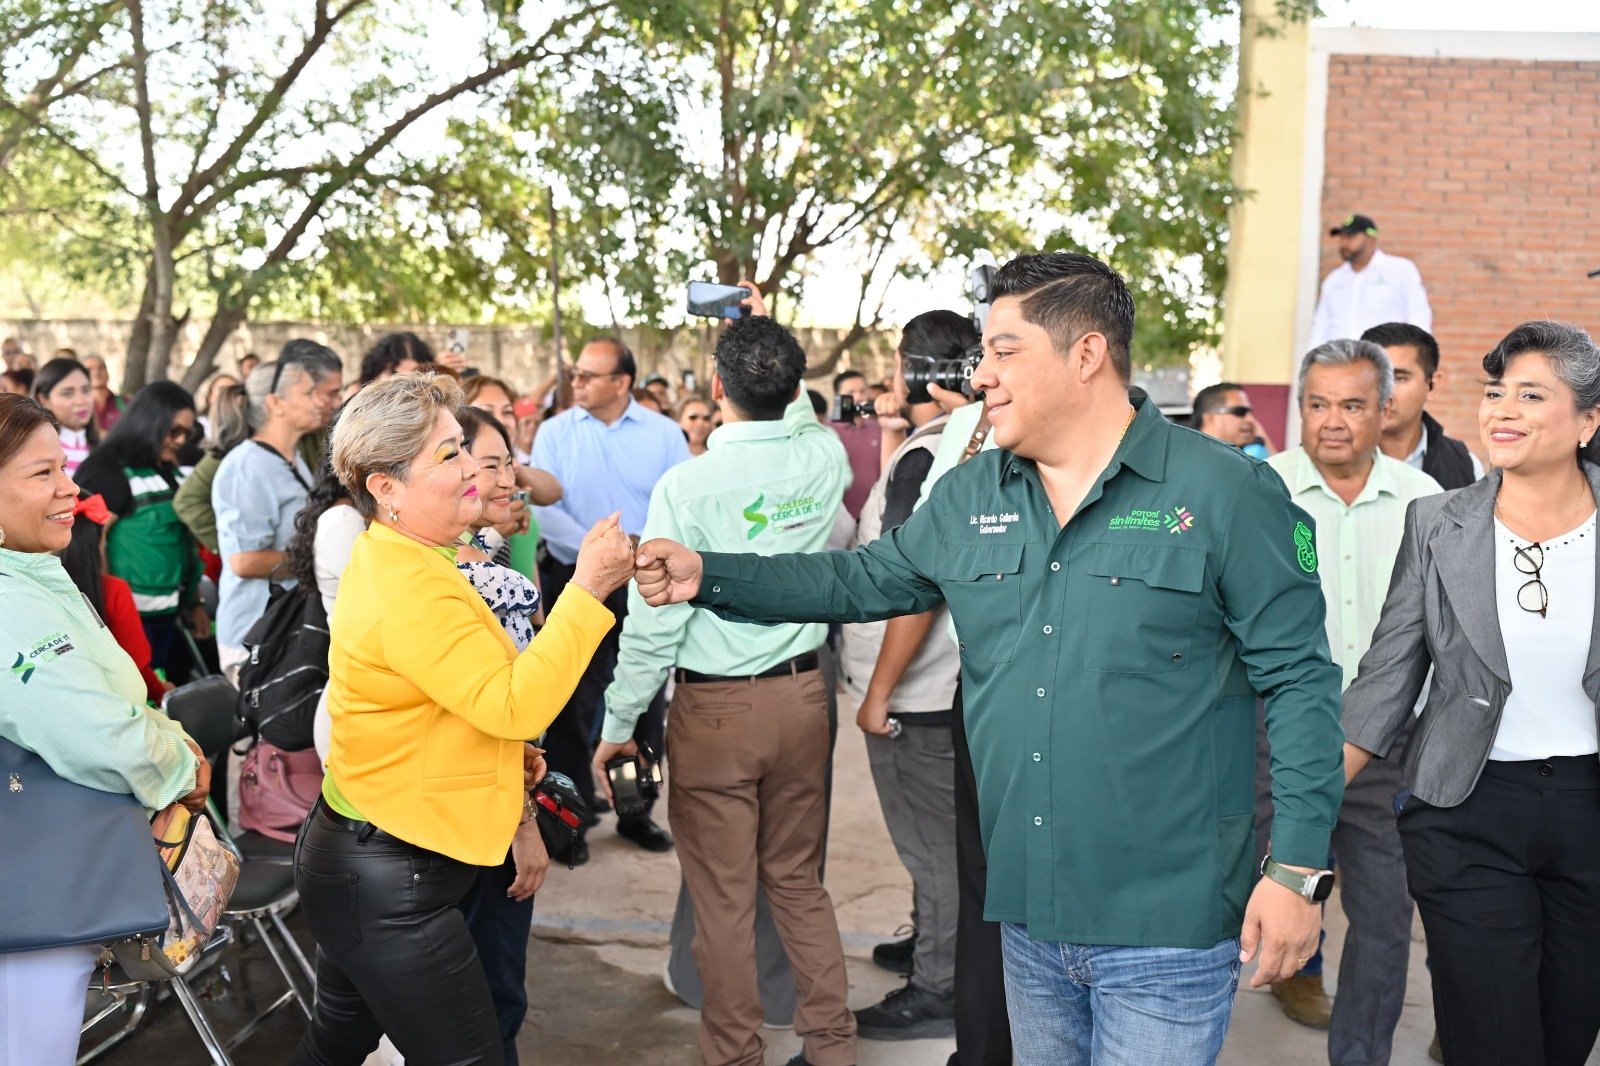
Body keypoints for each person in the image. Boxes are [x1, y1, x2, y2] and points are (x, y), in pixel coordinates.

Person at [634, 251, 1344, 1064]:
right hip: (1028, 916)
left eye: (1005, 351)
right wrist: (709, 573)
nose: (982, 377)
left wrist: (1295, 875)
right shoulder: (975, 493)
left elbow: (1300, 683)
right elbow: (861, 579)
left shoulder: (1223, 493)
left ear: (1086, 355)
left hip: (1166, 928)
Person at [289, 372, 631, 1064]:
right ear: (385, 488)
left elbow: (451, 704)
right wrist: (590, 588)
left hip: (375, 865)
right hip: (388, 879)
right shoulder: (408, 580)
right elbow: (515, 703)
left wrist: (510, 765)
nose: (473, 466)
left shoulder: (417, 555)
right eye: (448, 455)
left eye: (462, 448)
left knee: (336, 1049)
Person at [594, 301, 854, 1066]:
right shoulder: (823, 459)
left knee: (724, 901)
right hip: (805, 697)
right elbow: (798, 413)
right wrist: (773, 343)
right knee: (799, 884)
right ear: (795, 386)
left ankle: (735, 1055)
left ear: (715, 383)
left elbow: (656, 624)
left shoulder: (689, 485)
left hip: (716, 711)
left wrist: (617, 724)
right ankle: (833, 1048)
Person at [1343, 320, 1600, 1066]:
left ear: (1588, 420)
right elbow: (1386, 680)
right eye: (1495, 393)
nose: (1502, 410)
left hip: (1590, 814)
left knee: (1565, 1036)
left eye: (1530, 393)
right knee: (1493, 1038)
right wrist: (1301, 818)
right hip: (1468, 811)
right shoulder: (1437, 523)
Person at [0, 393, 208, 1065]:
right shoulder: (9, 601)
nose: (70, 489)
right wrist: (183, 766)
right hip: (35, 899)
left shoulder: (32, 576)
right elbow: (97, 734)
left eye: (63, 467)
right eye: (42, 474)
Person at [1255, 340, 1440, 1056]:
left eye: (1354, 405)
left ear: (1385, 409)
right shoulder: (1258, 490)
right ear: (1301, 407)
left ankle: (1359, 1054)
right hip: (1271, 737)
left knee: (1386, 916)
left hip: (1388, 742)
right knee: (1234, 893)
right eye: (1318, 404)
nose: (1334, 421)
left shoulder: (1428, 502)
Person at [841, 310, 971, 1040]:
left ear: (915, 371)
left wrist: (878, 693)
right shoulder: (956, 443)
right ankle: (933, 944)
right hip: (947, 685)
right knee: (941, 841)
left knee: (932, 850)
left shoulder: (929, 456)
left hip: (913, 696)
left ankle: (939, 986)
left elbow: (912, 585)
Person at [532, 335, 690, 861]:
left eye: (587, 375)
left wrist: (632, 557)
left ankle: (633, 809)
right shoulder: (554, 433)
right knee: (568, 699)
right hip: (573, 580)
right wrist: (599, 557)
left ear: (621, 383)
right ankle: (570, 820)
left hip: (645, 581)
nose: (575, 381)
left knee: (641, 697)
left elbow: (678, 504)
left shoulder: (665, 435)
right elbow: (545, 509)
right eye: (574, 373)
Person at [453, 406, 551, 1064]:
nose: (509, 478)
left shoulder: (479, 556)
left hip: (466, 807)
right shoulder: (475, 581)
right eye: (490, 464)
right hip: (480, 815)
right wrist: (524, 826)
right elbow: (499, 718)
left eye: (507, 461)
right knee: (489, 999)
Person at [74, 382, 206, 681]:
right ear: (150, 422)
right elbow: (90, 545)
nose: (181, 440)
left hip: (169, 615)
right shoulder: (109, 470)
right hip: (127, 623)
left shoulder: (167, 467)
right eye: (174, 431)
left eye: (188, 432)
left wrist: (193, 602)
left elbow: (182, 541)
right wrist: (106, 617)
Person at [59, 493, 170, 704]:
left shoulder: (35, 592)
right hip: (120, 703)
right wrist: (163, 693)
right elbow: (137, 665)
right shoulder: (114, 590)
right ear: (101, 538)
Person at [1361, 322, 1483, 489]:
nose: (1385, 393)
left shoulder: (1466, 466)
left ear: (1432, 384)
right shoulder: (1329, 457)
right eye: (1375, 378)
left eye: (1399, 378)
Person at [1309, 214, 1432, 349]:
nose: (1344, 243)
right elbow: (1321, 327)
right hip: (1341, 362)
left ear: (1371, 238)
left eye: (1351, 237)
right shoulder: (1334, 279)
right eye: (1342, 237)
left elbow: (1418, 316)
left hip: (1384, 361)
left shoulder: (1400, 270)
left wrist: (1415, 357)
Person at [31, 357, 98, 475]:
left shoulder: (103, 449)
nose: (81, 401)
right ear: (44, 399)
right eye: (67, 393)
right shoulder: (35, 452)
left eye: (86, 390)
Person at [831, 369, 882, 518]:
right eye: (851, 392)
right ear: (837, 395)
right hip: (839, 520)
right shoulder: (827, 432)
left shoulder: (880, 428)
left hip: (874, 518)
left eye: (862, 390)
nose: (859, 396)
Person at [1192, 381, 1271, 459]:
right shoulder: (1192, 459)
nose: (1250, 420)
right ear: (1210, 418)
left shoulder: (1243, 456)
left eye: (1249, 412)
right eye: (1240, 412)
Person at [356, 331, 431, 387]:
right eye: (395, 375)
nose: (406, 386)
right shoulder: (354, 399)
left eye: (416, 375)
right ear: (375, 376)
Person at [81, 354, 125, 433]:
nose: (96, 372)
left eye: (101, 367)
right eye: (89, 369)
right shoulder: (77, 407)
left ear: (107, 372)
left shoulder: (125, 403)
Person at [197, 371, 241, 440]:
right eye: (222, 389)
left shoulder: (241, 431)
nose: (227, 395)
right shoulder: (198, 427)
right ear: (210, 396)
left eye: (233, 391)